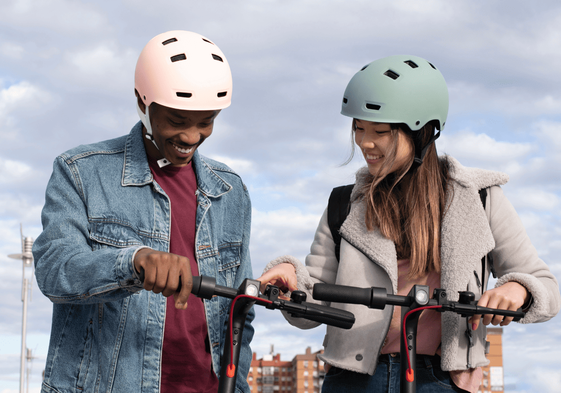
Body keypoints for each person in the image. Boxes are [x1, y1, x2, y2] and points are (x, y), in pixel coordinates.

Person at [258, 55, 560, 393]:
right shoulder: (343, 204)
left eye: (380, 131)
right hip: (352, 381)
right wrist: (290, 279)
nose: (364, 143)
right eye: (358, 128)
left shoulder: (481, 198)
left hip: (441, 381)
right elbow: (311, 307)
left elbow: (546, 288)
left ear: (424, 132)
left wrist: (517, 290)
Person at [33, 30, 254, 393]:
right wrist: (132, 262)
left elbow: (240, 314)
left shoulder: (231, 191)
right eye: (178, 120)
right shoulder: (80, 171)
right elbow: (54, 270)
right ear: (142, 101)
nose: (192, 137)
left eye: (206, 121)